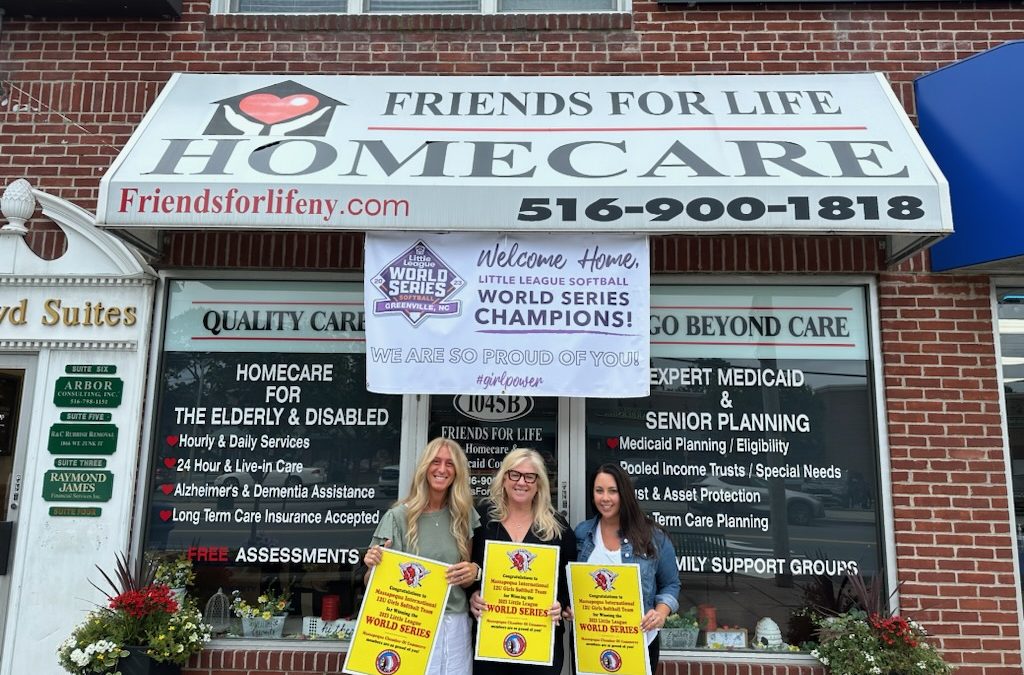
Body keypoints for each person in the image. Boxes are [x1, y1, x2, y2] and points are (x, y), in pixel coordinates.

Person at [363, 438, 481, 675]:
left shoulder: (464, 515)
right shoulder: (397, 517)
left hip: (455, 625)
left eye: (450, 463)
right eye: (435, 462)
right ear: (424, 467)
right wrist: (373, 565)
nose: (442, 469)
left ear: (457, 471)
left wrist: (471, 573)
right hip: (411, 625)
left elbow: (465, 579)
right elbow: (371, 585)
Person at [468, 448, 576, 675]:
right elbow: (470, 568)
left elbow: (569, 584)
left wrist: (561, 603)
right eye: (514, 474)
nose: (521, 482)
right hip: (491, 641)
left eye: (530, 476)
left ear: (539, 484)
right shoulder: (483, 520)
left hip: (541, 643)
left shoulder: (557, 528)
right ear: (504, 478)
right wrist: (473, 596)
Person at [573, 463, 680, 674]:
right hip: (591, 641)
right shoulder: (582, 533)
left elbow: (671, 584)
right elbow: (573, 583)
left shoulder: (653, 536)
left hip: (637, 641)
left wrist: (660, 613)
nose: (605, 498)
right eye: (599, 491)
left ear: (625, 493)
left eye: (613, 491)